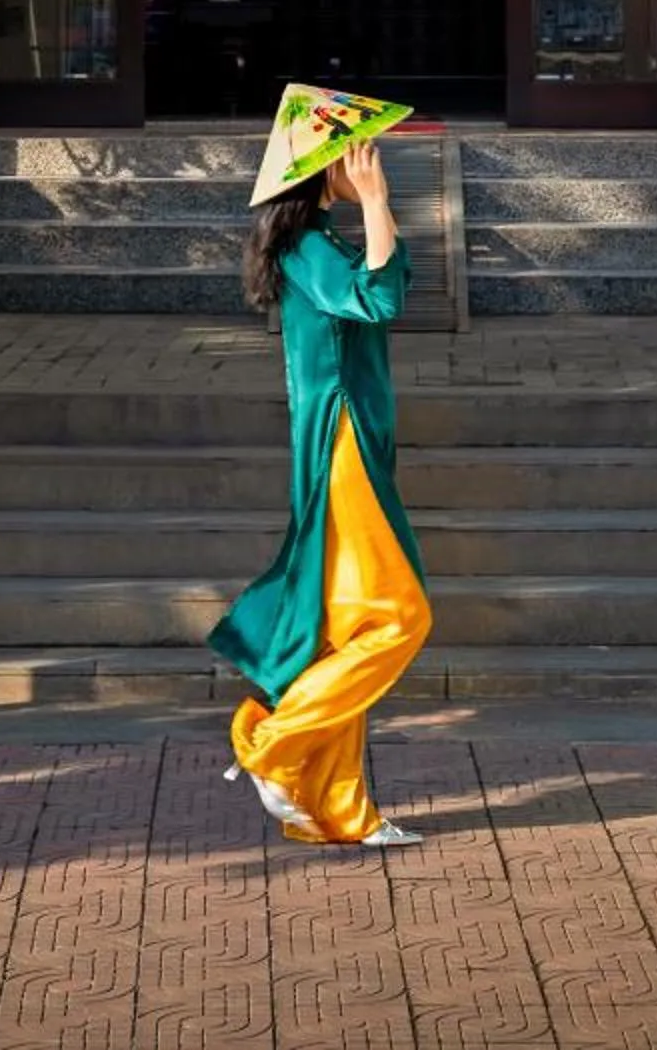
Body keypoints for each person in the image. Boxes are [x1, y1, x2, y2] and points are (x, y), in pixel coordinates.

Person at [212, 88, 432, 848]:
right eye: (353, 150)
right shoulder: (308, 247)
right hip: (341, 444)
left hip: (357, 438)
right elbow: (377, 301)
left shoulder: (321, 241)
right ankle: (274, 743)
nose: (367, 159)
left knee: (347, 630)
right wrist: (376, 199)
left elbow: (389, 286)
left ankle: (340, 810)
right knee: (400, 618)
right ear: (320, 166)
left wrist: (374, 204)